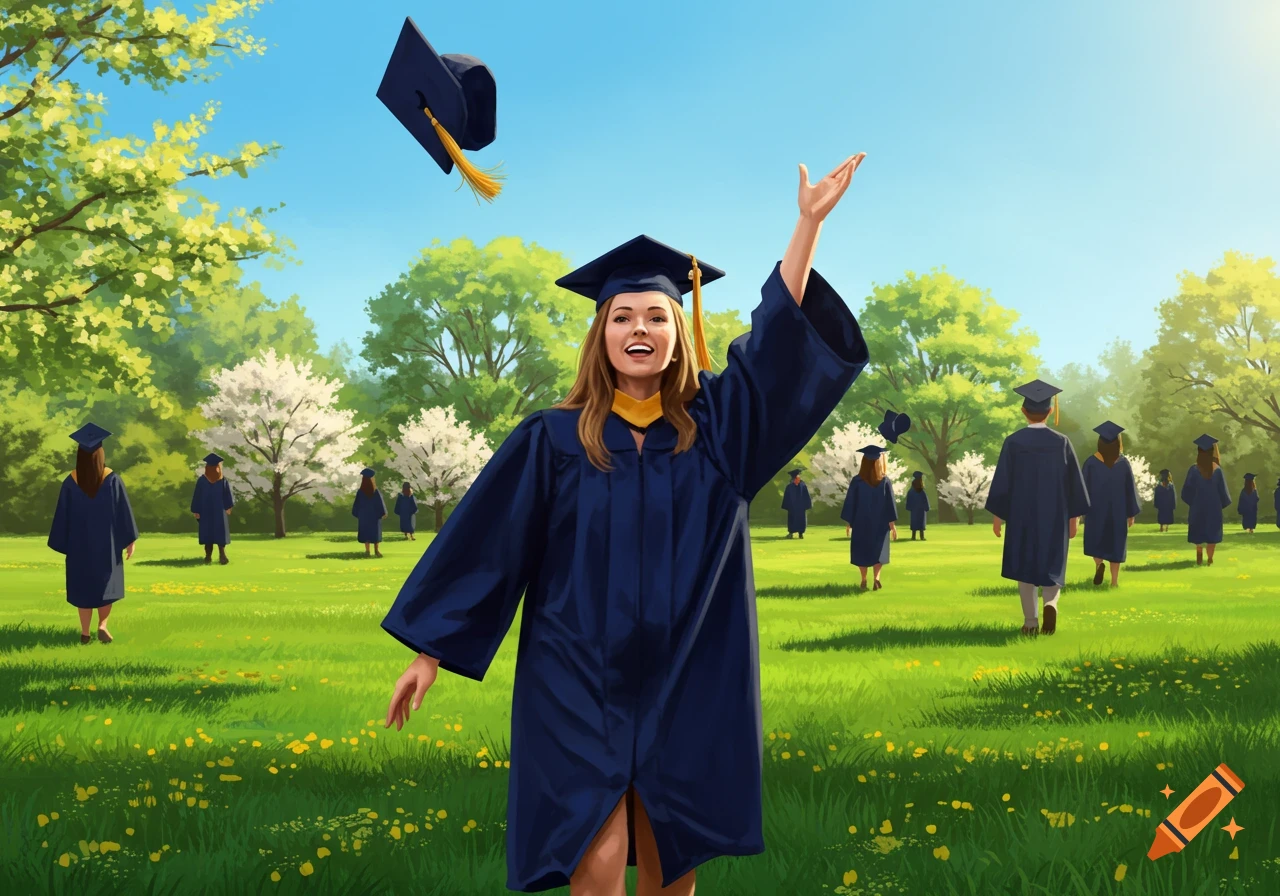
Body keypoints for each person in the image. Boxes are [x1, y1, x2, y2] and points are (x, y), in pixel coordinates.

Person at [380, 153, 868, 896]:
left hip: (690, 679)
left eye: (656, 316)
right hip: (574, 683)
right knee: (596, 864)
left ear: (679, 329)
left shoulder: (723, 432)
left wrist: (806, 226)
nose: (638, 328)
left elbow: (775, 348)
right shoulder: (551, 439)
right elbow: (488, 543)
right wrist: (430, 652)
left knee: (672, 871)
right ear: (600, 334)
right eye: (621, 316)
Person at [984, 379, 1090, 636]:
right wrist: (1073, 519)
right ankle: (1051, 603)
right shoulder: (1062, 442)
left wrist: (999, 517)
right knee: (1052, 565)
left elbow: (1003, 483)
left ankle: (1031, 621)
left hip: (1022, 517)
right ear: (1050, 411)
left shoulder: (1013, 442)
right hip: (1055, 516)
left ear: (1023, 411)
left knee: (1025, 567)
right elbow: (1074, 483)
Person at [47, 423, 139, 644]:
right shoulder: (112, 479)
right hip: (107, 544)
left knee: (82, 586)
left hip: (79, 545)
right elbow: (123, 511)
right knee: (106, 584)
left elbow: (62, 516)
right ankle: (102, 625)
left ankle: (85, 632)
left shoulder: (70, 482)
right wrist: (130, 539)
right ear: (100, 453)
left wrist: (65, 543)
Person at [1079, 422, 1140, 587]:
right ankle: (1114, 581)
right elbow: (1130, 490)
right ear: (1118, 442)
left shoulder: (1091, 462)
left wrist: (1081, 511)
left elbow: (1082, 488)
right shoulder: (1123, 463)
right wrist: (1131, 513)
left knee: (1096, 540)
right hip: (1117, 511)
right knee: (1116, 545)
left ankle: (1099, 565)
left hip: (1096, 511)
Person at [840, 446, 899, 590]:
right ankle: (876, 578)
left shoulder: (857, 481)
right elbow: (890, 504)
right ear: (878, 462)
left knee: (862, 550)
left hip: (861, 522)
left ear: (864, 463)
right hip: (880, 522)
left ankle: (864, 579)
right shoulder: (885, 481)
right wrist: (892, 525)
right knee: (878, 550)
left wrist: (849, 522)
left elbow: (850, 502)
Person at [1180, 434, 1232, 566]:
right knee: (1212, 535)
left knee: (1198, 531)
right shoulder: (1217, 470)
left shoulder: (1193, 470)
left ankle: (1199, 551)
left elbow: (1186, 492)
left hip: (1198, 508)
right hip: (1213, 508)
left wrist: (1193, 503)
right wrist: (1220, 504)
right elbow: (1223, 493)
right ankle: (1209, 558)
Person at [190, 452, 235, 565]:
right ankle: (215, 556)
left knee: (209, 534)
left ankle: (215, 556)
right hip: (216, 511)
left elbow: (226, 495)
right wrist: (228, 506)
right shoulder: (208, 480)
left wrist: (196, 510)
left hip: (209, 511)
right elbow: (197, 495)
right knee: (215, 533)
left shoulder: (217, 480)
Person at [353, 467, 388, 558]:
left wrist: (357, 514)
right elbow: (380, 503)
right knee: (375, 532)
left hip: (364, 516)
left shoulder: (360, 492)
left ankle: (367, 551)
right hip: (375, 516)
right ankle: (376, 551)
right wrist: (383, 513)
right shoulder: (375, 492)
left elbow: (356, 505)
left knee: (366, 532)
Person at [781, 468, 811, 538]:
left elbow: (787, 497)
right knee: (799, 519)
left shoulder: (791, 486)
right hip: (798, 507)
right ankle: (798, 533)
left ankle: (793, 533)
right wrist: (807, 505)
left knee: (794, 519)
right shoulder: (802, 485)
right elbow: (806, 496)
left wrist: (787, 506)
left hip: (795, 507)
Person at [905, 471, 930, 540]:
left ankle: (913, 536)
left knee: (914, 521)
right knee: (921, 522)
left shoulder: (911, 490)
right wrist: (926, 507)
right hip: (921, 509)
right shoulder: (921, 491)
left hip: (914, 509)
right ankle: (921, 537)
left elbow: (909, 499)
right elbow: (925, 500)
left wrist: (909, 507)